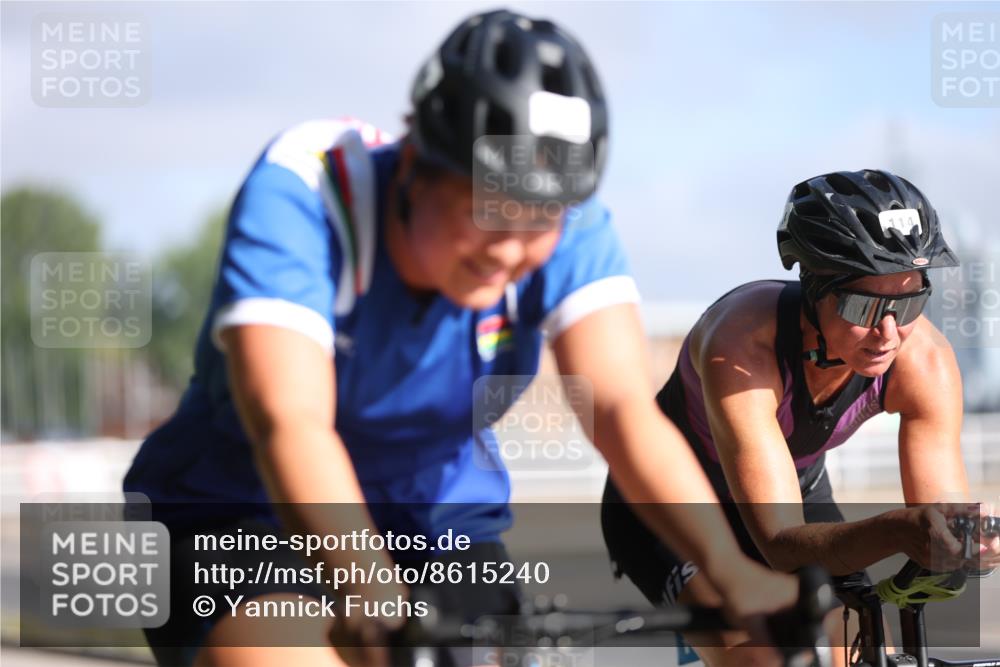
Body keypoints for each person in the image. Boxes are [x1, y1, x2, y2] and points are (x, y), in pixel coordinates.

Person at [124, 9, 798, 667]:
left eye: (540, 221)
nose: (510, 248)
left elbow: (621, 412)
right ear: (417, 156)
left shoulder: (569, 216)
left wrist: (728, 569)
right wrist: (370, 591)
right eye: (490, 206)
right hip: (237, 509)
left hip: (434, 520)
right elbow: (291, 424)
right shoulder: (308, 192)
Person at [602, 168, 1000, 667]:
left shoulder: (924, 359)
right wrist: (901, 531)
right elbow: (781, 545)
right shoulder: (741, 344)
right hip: (672, 503)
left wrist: (961, 545)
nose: (890, 333)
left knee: (855, 649)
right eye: (864, 305)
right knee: (764, 658)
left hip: (796, 488)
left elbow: (941, 526)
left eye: (911, 300)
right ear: (814, 289)